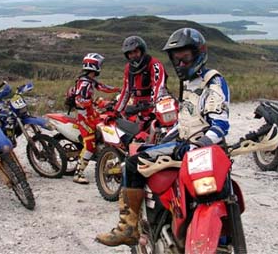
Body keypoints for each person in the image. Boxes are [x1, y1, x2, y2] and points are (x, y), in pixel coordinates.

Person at [96, 28, 230, 247]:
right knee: (136, 156)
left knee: (133, 165)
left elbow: (220, 125)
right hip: (184, 144)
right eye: (176, 59)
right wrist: (166, 140)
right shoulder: (188, 83)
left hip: (203, 150)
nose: (180, 64)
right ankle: (131, 225)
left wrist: (199, 143)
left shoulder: (212, 82)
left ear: (199, 54)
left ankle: (129, 228)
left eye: (185, 58)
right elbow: (185, 120)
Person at [72, 53, 120, 184]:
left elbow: (103, 87)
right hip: (83, 117)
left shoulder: (90, 80)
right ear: (95, 66)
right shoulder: (84, 83)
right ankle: (78, 173)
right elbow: (79, 100)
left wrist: (120, 90)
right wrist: (94, 103)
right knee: (90, 145)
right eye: (100, 64)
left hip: (91, 114)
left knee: (108, 124)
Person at [113, 35, 168, 122]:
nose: (133, 55)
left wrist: (153, 109)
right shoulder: (128, 68)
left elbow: (158, 87)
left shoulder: (154, 64)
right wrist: (116, 112)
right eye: (130, 53)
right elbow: (126, 91)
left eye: (135, 51)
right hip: (137, 107)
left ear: (142, 51)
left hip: (155, 105)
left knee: (156, 130)